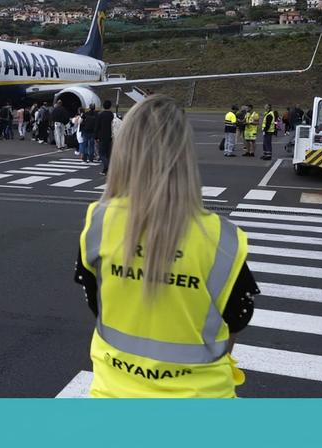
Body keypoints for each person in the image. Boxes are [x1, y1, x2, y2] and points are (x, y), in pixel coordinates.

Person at [74, 94, 258, 398]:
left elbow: (97, 302)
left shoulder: (99, 221)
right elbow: (236, 320)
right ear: (184, 153)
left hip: (114, 396)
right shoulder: (222, 238)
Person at [95, 99, 115, 175]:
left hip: (102, 137)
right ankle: (105, 170)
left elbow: (97, 127)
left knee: (102, 154)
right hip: (110, 137)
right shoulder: (111, 115)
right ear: (110, 106)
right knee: (108, 154)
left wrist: (96, 137)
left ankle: (107, 167)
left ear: (103, 106)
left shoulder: (100, 115)